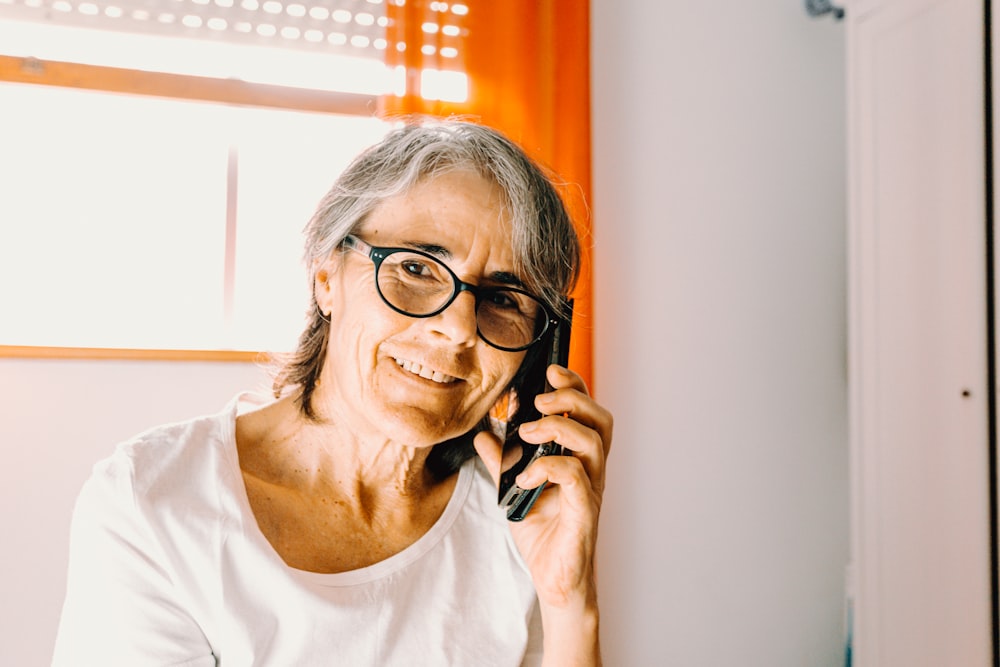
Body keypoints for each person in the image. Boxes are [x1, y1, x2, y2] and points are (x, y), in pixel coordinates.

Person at [52, 119, 613, 666]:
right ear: (326, 278)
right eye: (416, 268)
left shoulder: (520, 518)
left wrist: (570, 605)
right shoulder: (155, 503)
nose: (460, 327)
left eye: (505, 299)